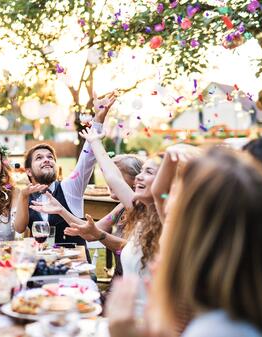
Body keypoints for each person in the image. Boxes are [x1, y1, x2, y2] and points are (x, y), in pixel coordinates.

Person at [107, 147, 262, 337]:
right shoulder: (256, 306)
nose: (165, 202)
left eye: (176, 190)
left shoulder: (216, 329)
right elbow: (159, 194)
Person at [14, 92, 118, 255]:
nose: (47, 160)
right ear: (28, 170)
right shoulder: (27, 196)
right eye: (39, 158)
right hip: (43, 266)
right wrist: (23, 197)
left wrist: (98, 119)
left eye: (50, 157)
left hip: (76, 268)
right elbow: (19, 228)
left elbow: (87, 158)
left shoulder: (70, 188)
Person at [73, 127, 162, 310]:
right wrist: (95, 141)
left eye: (149, 172)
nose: (139, 176)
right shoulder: (142, 210)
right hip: (126, 312)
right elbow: (113, 177)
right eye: (141, 171)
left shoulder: (167, 218)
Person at [29, 154, 143, 278]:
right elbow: (88, 232)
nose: (109, 180)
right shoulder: (120, 208)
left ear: (136, 180)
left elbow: (132, 250)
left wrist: (98, 234)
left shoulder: (146, 209)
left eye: (116, 176)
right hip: (119, 283)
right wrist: (61, 210)